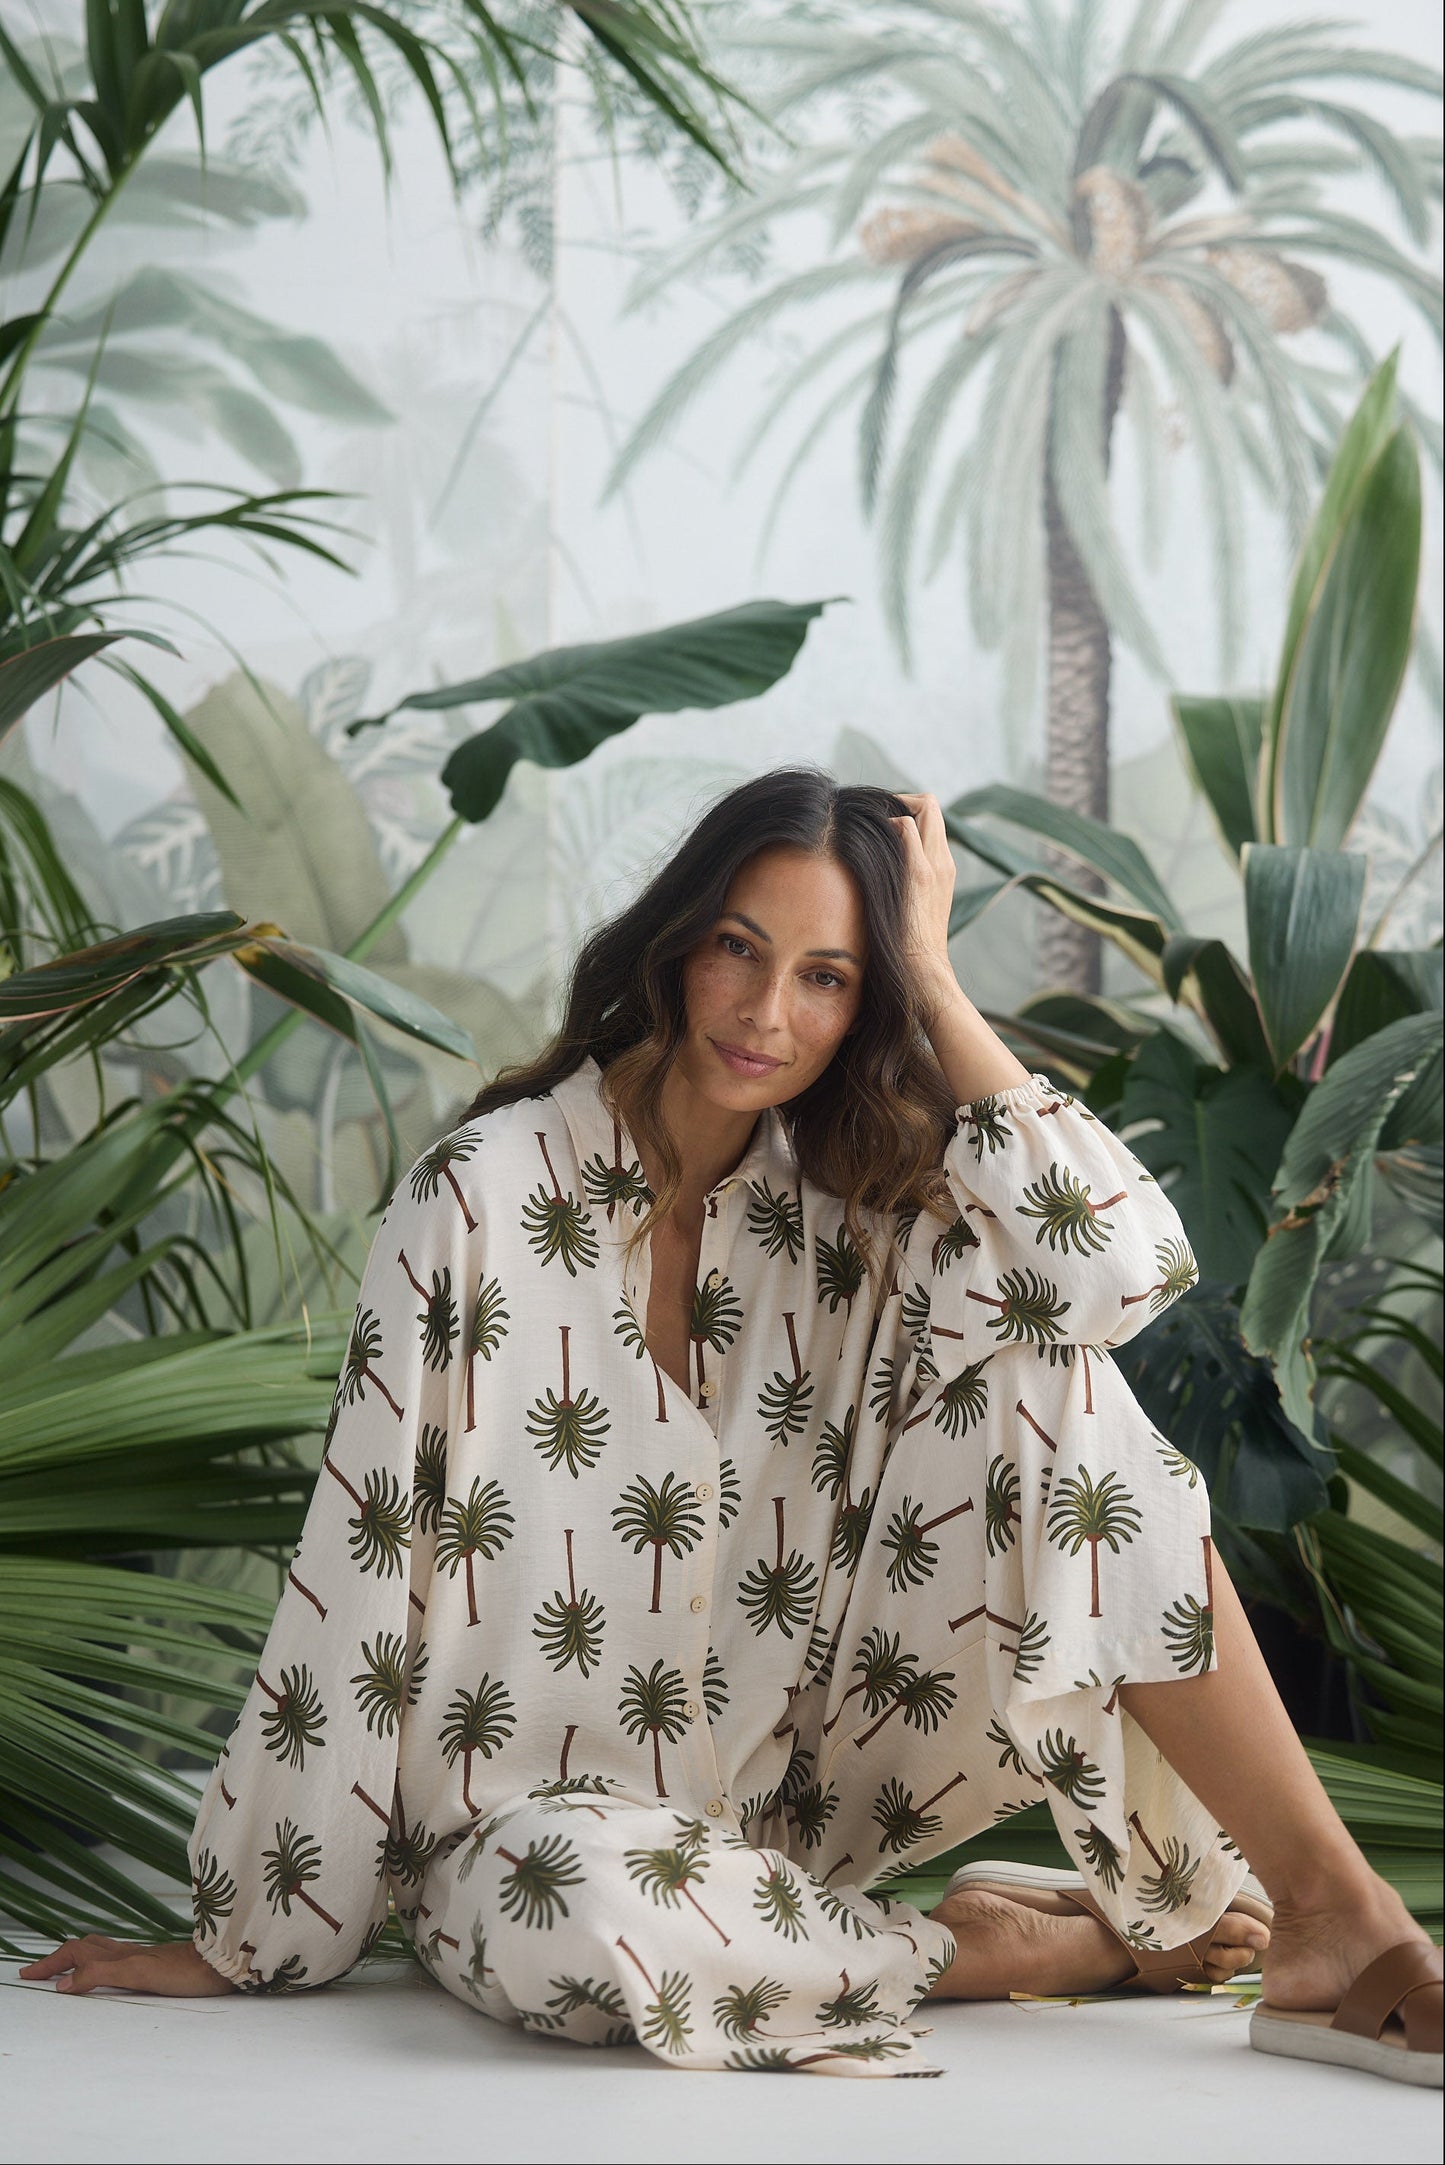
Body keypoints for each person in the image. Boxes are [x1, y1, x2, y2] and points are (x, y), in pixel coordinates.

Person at [24, 773, 1441, 2084]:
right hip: (531, 1833)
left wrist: (936, 976)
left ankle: (1329, 1906)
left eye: (827, 976)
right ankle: (995, 1947)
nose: (766, 1009)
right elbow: (363, 1551)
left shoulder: (853, 1197)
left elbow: (1115, 1277)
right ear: (672, 943)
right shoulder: (478, 1195)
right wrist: (248, 1933)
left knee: (1050, 1388)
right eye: (738, 948)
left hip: (797, 1796)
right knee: (568, 1914)